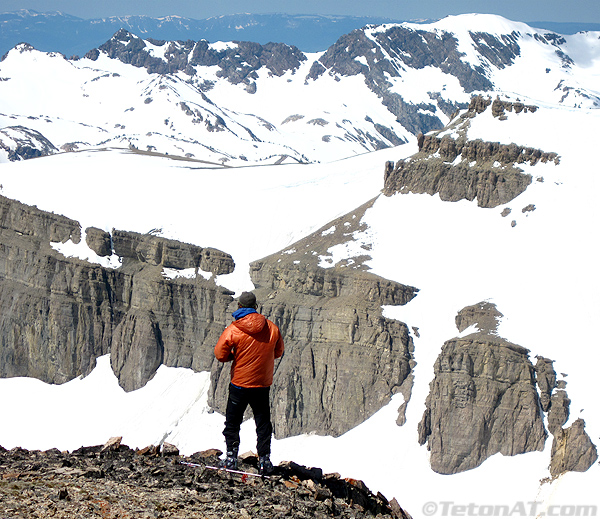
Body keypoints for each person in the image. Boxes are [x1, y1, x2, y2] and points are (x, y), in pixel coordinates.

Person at [214, 291, 284, 475]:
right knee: (263, 423)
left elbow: (220, 354)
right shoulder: (272, 328)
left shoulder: (234, 329)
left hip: (239, 383)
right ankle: (265, 461)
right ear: (256, 306)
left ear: (239, 306)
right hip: (262, 384)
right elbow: (278, 352)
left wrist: (235, 356)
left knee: (233, 421)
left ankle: (231, 459)